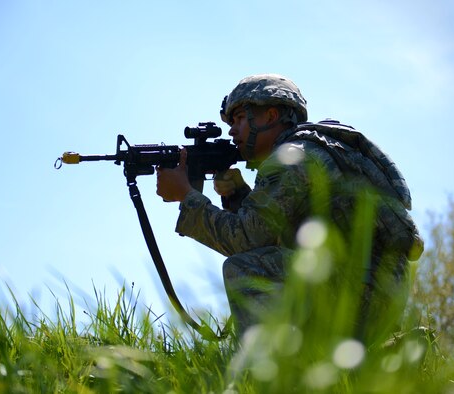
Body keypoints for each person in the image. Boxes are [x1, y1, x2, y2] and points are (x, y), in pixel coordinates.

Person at [156, 74, 423, 343]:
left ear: (270, 116)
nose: (231, 131)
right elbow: (281, 234)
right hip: (377, 292)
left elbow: (245, 239)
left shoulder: (289, 159)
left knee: (245, 269)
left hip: (356, 293)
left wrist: (186, 196)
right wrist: (239, 195)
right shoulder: (312, 149)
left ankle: (262, 373)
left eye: (238, 119)